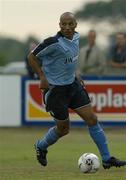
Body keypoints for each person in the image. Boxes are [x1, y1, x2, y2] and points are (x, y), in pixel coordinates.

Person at [28, 12, 126, 169]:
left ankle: (107, 159)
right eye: (64, 24)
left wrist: (75, 74)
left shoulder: (76, 37)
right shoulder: (52, 42)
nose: (67, 27)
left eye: (70, 24)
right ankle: (41, 146)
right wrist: (41, 77)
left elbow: (68, 61)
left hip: (72, 85)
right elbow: (31, 57)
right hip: (55, 91)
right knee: (63, 130)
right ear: (59, 25)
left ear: (75, 25)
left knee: (92, 119)